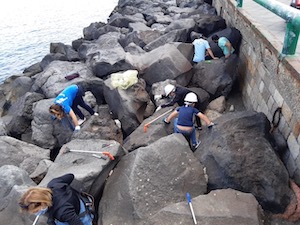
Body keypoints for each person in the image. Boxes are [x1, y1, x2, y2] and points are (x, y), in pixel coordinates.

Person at [19, 173, 94, 225]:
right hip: (78, 203)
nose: (36, 214)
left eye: (36, 211)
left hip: (81, 217)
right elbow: (70, 176)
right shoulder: (54, 184)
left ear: (42, 203)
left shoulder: (63, 211)